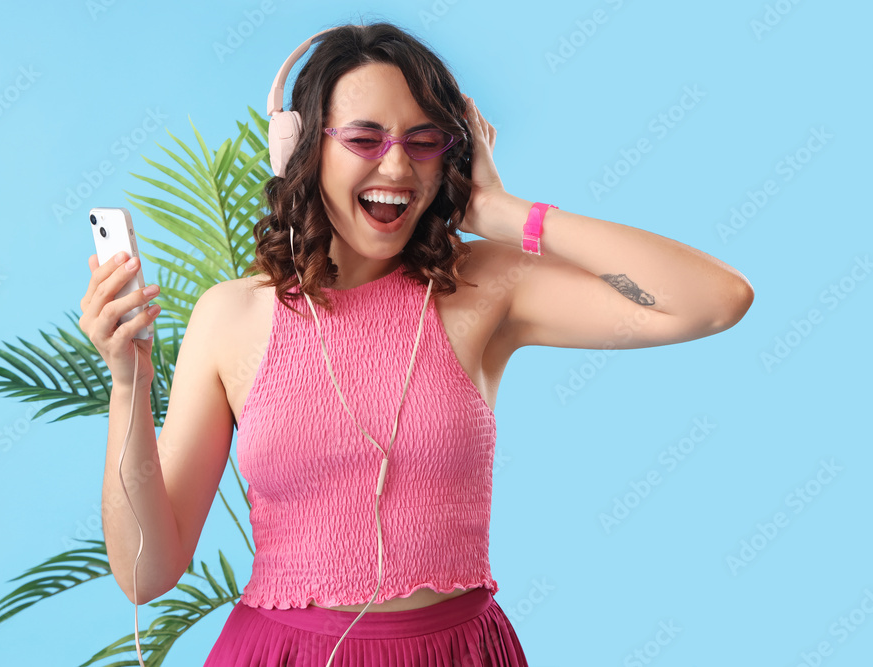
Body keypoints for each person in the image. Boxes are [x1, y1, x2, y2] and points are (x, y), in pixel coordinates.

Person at [79, 21, 753, 667]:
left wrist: (508, 214)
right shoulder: (230, 315)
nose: (396, 165)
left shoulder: (484, 287)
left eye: (424, 140)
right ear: (303, 150)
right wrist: (128, 385)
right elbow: (148, 573)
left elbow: (714, 300)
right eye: (365, 139)